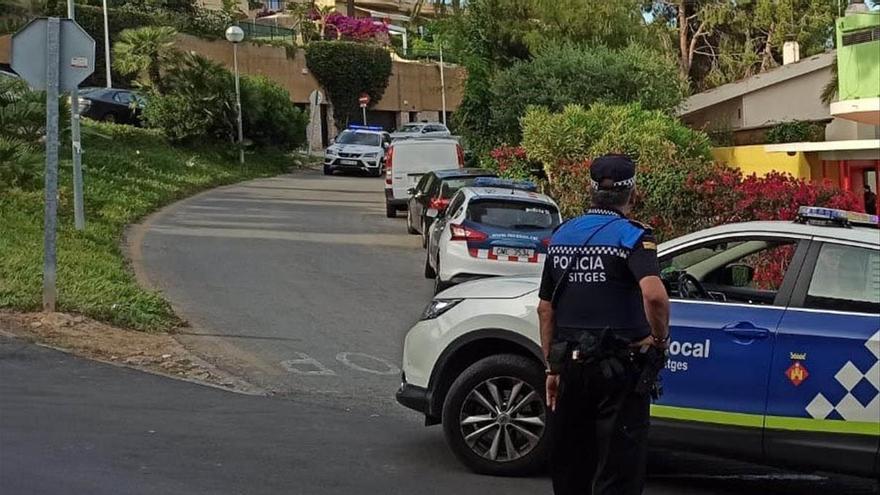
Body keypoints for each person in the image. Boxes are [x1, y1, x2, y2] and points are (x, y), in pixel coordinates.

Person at [537, 154, 670, 495]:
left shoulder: (563, 234)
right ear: (633, 192)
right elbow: (654, 296)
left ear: (590, 189)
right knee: (618, 469)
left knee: (570, 465)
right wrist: (659, 339)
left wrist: (552, 368)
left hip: (569, 367)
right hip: (619, 370)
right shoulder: (634, 236)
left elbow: (545, 309)